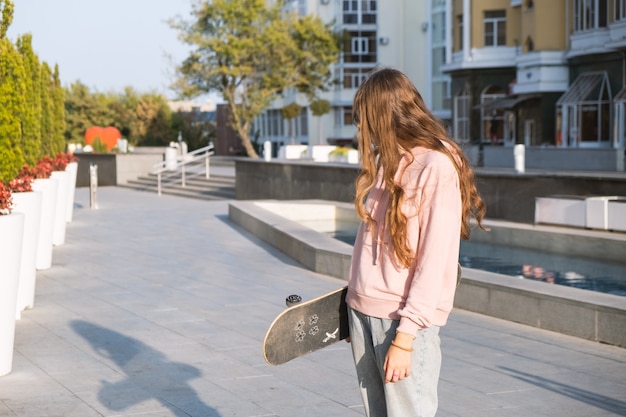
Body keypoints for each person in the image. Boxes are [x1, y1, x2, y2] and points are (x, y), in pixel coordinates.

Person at [346, 68, 486, 417]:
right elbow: (370, 243)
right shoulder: (387, 161)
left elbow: (434, 261)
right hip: (365, 313)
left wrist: (405, 338)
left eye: (364, 119)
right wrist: (353, 303)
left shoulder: (436, 167)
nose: (361, 128)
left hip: (402, 321)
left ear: (384, 117)